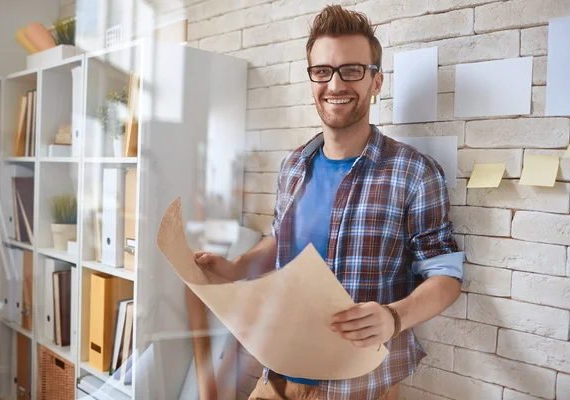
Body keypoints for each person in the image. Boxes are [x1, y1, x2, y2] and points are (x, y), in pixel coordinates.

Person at [195, 5, 464, 400]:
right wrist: (236, 268)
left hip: (360, 387)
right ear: (311, 81)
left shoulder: (414, 173)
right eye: (323, 71)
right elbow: (283, 241)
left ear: (376, 82)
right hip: (277, 378)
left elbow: (446, 277)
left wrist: (393, 317)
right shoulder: (293, 165)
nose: (336, 84)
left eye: (352, 70)